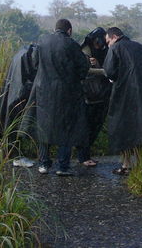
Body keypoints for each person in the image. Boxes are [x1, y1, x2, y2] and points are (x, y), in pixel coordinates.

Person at [31, 19, 89, 176]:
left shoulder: (42, 41)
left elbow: (35, 63)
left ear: (55, 29)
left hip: (43, 92)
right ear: (69, 31)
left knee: (44, 127)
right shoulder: (71, 44)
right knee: (66, 128)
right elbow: (83, 68)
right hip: (66, 93)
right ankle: (62, 166)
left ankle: (43, 164)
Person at [103, 27, 142, 175]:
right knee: (140, 128)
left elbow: (109, 71)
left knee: (122, 128)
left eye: (108, 41)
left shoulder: (115, 48)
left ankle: (126, 164)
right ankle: (140, 164)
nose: (108, 45)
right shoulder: (141, 47)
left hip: (123, 95)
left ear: (114, 37)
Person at [0, 43, 38, 167]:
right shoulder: (28, 58)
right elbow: (30, 78)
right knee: (15, 125)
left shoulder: (20, 55)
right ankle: (15, 156)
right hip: (19, 97)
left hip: (12, 95)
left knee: (9, 124)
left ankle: (8, 153)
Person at [76, 27, 111, 167]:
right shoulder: (86, 51)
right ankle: (83, 156)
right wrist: (102, 71)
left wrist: (99, 66)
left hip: (101, 94)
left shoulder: (104, 51)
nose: (99, 44)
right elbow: (84, 70)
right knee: (87, 126)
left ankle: (85, 155)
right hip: (88, 95)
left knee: (95, 126)